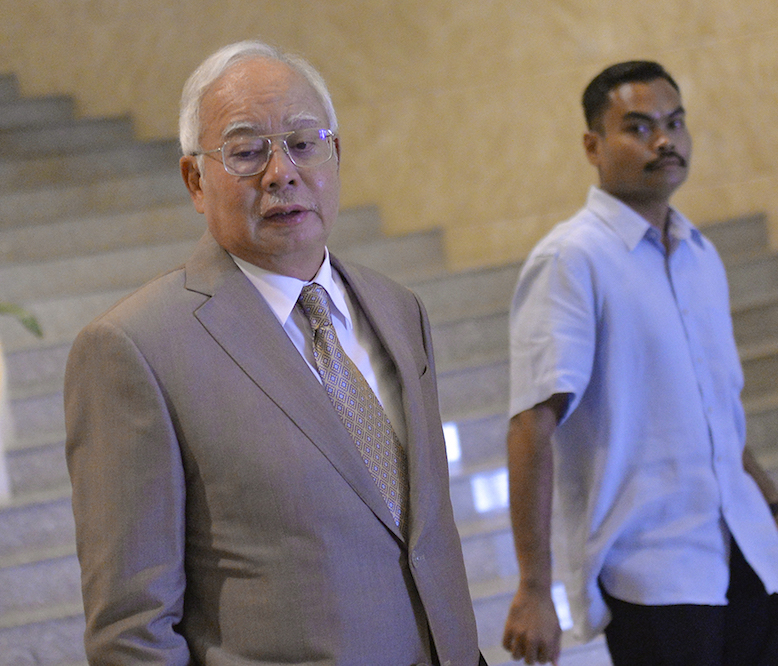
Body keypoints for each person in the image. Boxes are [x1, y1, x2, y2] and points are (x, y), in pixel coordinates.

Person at [64, 40, 485, 666]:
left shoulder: (398, 309)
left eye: (303, 142)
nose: (280, 171)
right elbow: (131, 629)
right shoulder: (134, 349)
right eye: (245, 151)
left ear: (335, 155)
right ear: (194, 180)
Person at [501, 60, 778, 666]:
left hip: (749, 552)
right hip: (653, 574)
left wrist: (769, 504)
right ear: (593, 146)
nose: (664, 141)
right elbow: (531, 426)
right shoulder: (571, 260)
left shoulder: (700, 255)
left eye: (675, 123)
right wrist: (532, 588)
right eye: (639, 127)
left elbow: (719, 410)